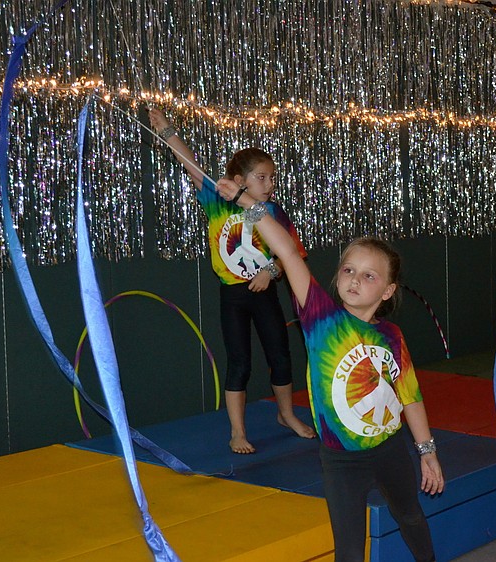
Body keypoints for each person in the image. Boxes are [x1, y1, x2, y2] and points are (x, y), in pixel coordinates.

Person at [214, 176, 444, 561]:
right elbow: (287, 253)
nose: (355, 280)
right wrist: (244, 201)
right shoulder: (321, 317)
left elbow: (409, 394)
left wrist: (427, 450)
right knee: (350, 552)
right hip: (342, 460)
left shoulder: (392, 335)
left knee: (411, 516)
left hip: (390, 448)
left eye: (369, 276)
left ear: (387, 291)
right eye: (349, 270)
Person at [148, 109, 315, 454]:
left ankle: (286, 414)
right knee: (239, 362)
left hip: (264, 292)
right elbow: (191, 166)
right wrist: (167, 132)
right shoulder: (217, 202)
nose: (270, 184)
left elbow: (290, 257)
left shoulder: (273, 213)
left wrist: (270, 273)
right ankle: (237, 431)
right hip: (233, 295)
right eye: (262, 177)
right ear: (240, 181)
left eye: (272, 178)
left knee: (280, 356)